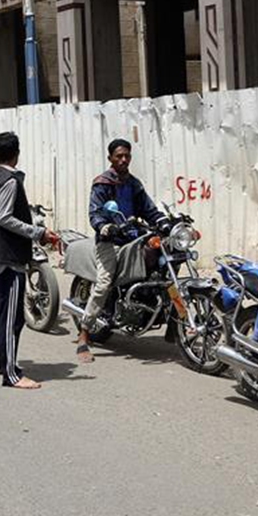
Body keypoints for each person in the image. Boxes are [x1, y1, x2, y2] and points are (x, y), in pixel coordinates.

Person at [76, 138, 167, 364]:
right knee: (104, 282)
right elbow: (95, 213)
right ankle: (84, 334)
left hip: (133, 237)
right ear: (111, 158)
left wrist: (163, 221)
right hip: (110, 241)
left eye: (127, 155)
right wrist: (104, 226)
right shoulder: (102, 183)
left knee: (162, 264)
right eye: (119, 156)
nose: (124, 159)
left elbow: (149, 209)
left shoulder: (134, 184)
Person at [0, 132, 57, 390]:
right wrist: (38, 233)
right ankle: (11, 374)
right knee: (12, 318)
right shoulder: (9, 181)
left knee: (3, 313)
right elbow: (4, 218)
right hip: (7, 258)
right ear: (17, 153)